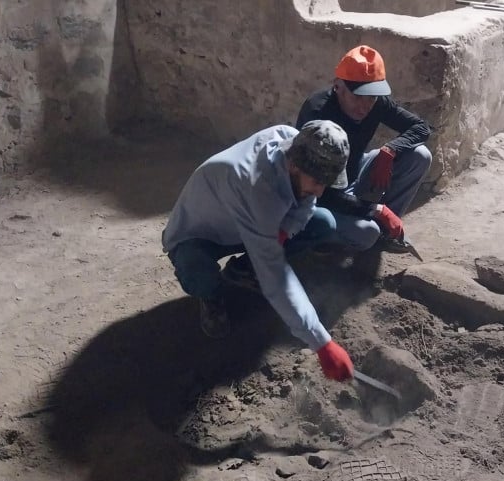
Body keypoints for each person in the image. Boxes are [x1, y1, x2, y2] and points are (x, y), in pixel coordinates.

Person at [161, 120, 354, 382]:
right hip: (199, 235)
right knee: (195, 269)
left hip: (246, 226)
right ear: (295, 165)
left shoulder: (294, 142)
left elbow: (306, 203)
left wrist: (285, 230)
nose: (320, 189)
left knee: (322, 223)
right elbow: (275, 277)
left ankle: (243, 268)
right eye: (318, 181)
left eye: (326, 182)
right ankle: (212, 297)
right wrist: (322, 343)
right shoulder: (256, 186)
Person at [293, 44, 432, 253]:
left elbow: (421, 128)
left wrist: (391, 150)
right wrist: (375, 209)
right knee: (366, 234)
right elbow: (319, 190)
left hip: (353, 174)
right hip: (319, 195)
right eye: (357, 97)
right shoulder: (318, 113)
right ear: (338, 86)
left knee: (420, 155)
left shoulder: (376, 103)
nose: (364, 106)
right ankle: (319, 242)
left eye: (371, 97)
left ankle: (387, 233)